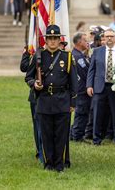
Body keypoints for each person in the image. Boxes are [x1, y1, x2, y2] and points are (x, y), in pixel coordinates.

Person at [25, 25, 78, 172]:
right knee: (46, 134)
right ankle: (48, 163)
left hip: (62, 100)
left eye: (55, 38)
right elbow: (28, 77)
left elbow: (74, 81)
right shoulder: (38, 56)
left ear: (59, 39)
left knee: (61, 134)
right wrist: (34, 84)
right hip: (44, 100)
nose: (53, 41)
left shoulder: (67, 57)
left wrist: (73, 102)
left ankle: (59, 164)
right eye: (50, 38)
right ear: (46, 40)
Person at [86, 29, 115, 146]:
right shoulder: (97, 52)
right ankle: (96, 139)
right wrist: (89, 85)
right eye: (107, 36)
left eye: (111, 36)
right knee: (97, 114)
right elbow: (91, 70)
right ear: (103, 38)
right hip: (100, 87)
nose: (109, 38)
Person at [20, 45, 41, 161]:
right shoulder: (32, 46)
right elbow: (24, 68)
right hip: (36, 95)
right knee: (38, 124)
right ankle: (40, 150)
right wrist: (26, 54)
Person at [70, 32, 91, 142]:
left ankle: (73, 133)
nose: (87, 42)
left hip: (80, 89)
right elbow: (86, 73)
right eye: (84, 40)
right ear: (79, 42)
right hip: (82, 90)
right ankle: (77, 136)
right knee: (82, 113)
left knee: (82, 112)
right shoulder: (78, 56)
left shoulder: (78, 54)